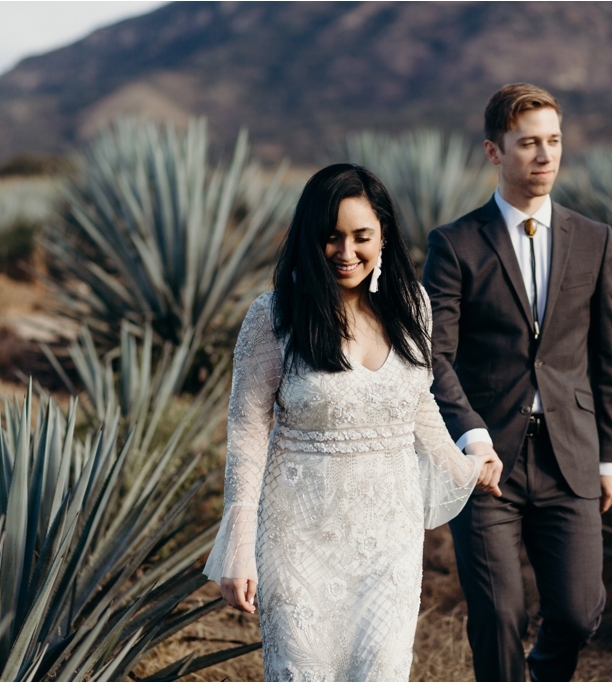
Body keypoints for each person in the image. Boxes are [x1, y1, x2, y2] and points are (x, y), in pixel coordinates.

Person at [203, 163, 501, 681]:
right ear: (309, 238)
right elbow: (248, 434)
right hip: (297, 537)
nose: (346, 252)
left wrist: (465, 464)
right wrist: (238, 544)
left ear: (383, 234)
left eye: (361, 236)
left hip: (390, 537)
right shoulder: (273, 317)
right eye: (331, 237)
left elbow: (417, 402)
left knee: (381, 670)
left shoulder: (412, 307)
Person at [421, 83, 612, 682]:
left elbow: (610, 355)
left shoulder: (595, 239)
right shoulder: (455, 243)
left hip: (572, 454)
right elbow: (436, 356)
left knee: (579, 610)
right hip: (488, 462)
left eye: (554, 141)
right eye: (529, 143)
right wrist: (470, 435)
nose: (546, 156)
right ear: (494, 151)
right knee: (498, 613)